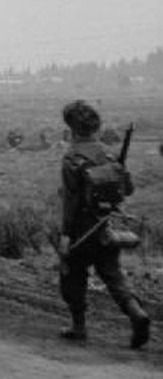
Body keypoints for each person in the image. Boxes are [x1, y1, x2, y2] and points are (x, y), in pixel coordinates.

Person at [56, 100, 150, 349]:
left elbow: (71, 201)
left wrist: (66, 236)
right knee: (113, 275)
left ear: (71, 128)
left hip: (81, 229)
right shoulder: (108, 153)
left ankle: (78, 326)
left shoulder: (71, 158)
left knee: (72, 274)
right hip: (108, 226)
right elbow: (128, 189)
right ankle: (136, 313)